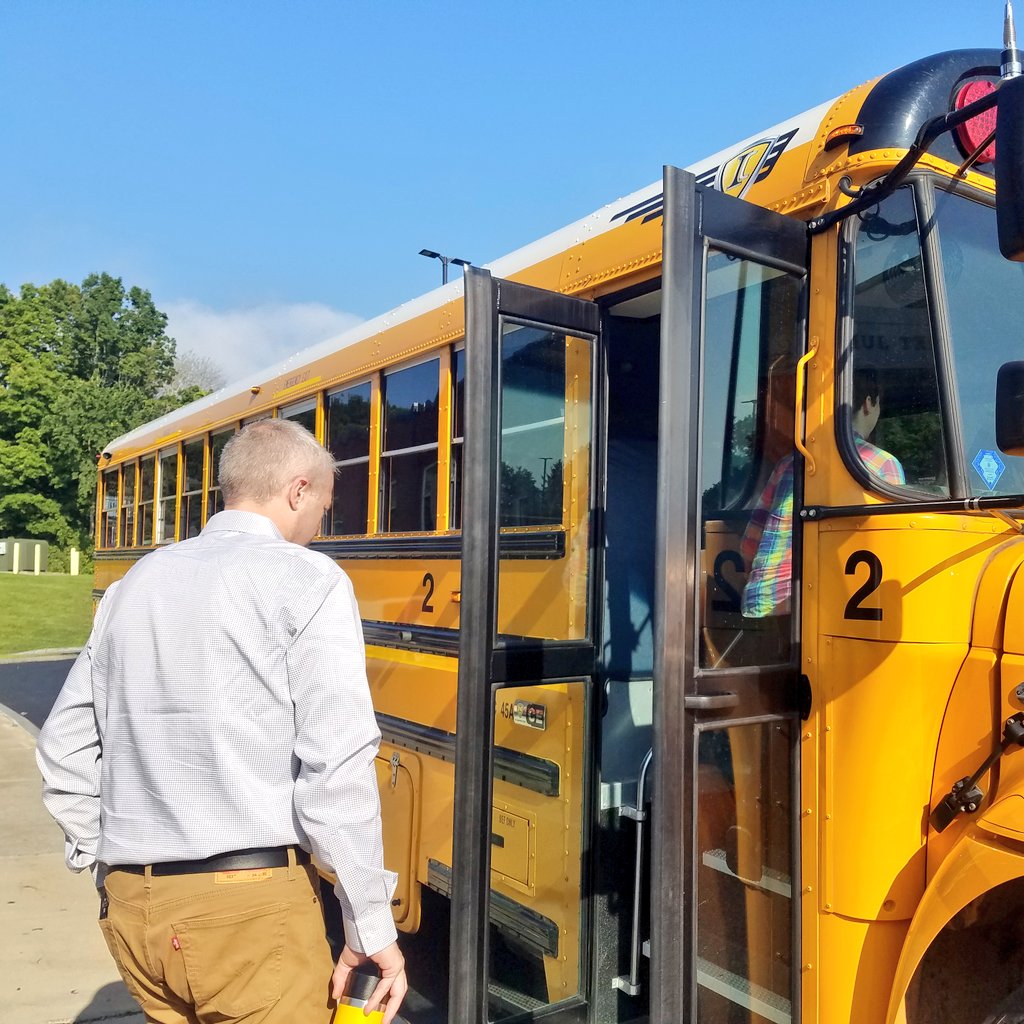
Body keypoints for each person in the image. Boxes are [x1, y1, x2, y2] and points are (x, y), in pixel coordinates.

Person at [36, 418, 407, 1024]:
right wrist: (369, 925)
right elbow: (334, 771)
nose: (320, 526)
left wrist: (102, 856)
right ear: (298, 490)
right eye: (324, 507)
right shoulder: (307, 579)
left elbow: (66, 747)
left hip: (135, 915)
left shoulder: (136, 584)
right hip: (249, 916)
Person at [740, 369, 904, 618]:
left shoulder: (787, 464)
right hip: (814, 611)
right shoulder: (882, 464)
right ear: (868, 404)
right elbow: (894, 551)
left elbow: (749, 546)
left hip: (759, 603)